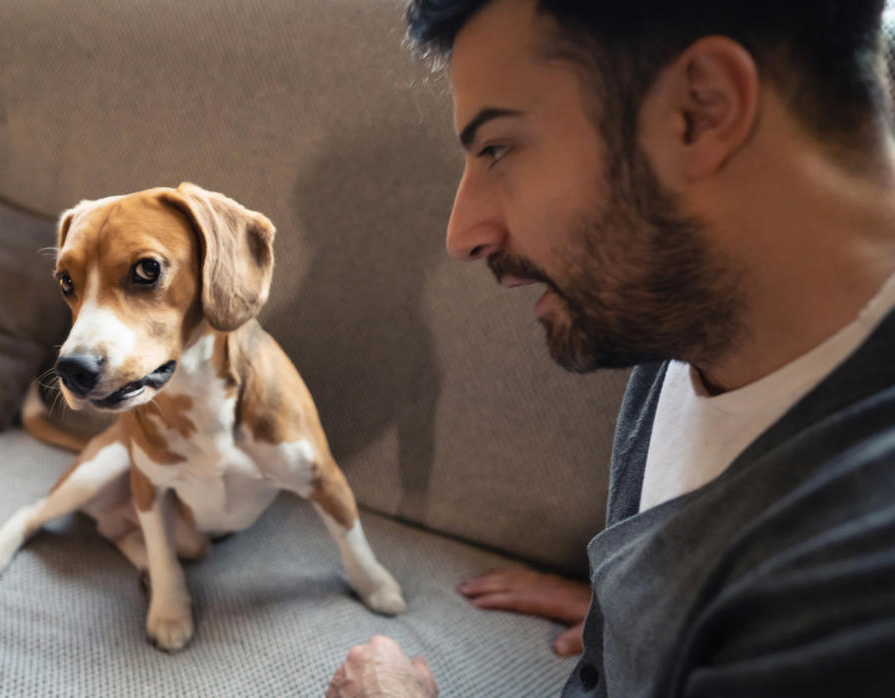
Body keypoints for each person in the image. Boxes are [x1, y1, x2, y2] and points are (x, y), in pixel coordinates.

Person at [327, 0, 895, 695]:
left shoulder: (855, 596)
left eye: (499, 147)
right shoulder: (688, 303)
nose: (462, 234)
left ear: (703, 108)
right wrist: (638, 604)